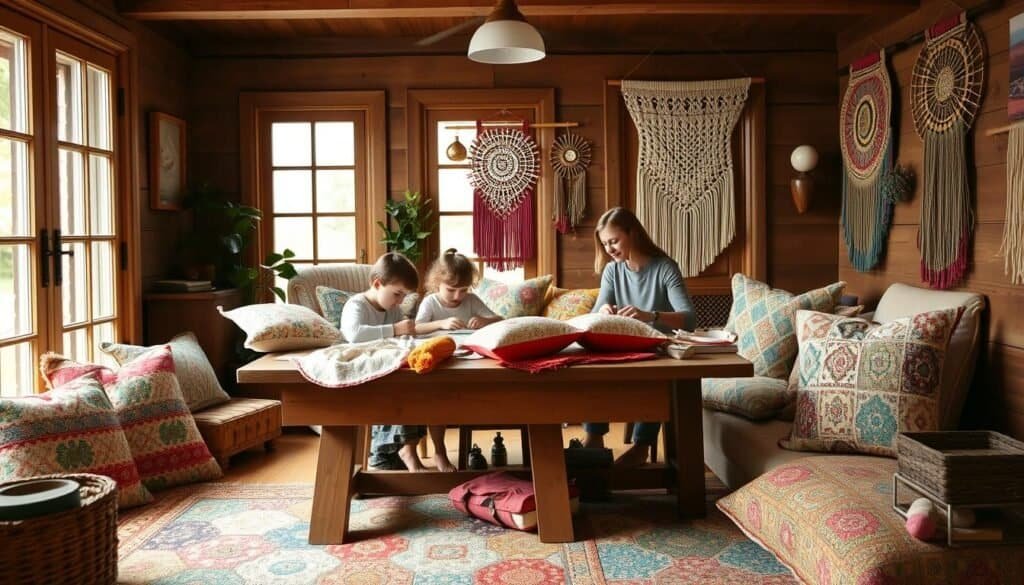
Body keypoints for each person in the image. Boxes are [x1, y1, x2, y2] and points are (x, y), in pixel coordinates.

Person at [584, 207, 697, 468]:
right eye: (605, 244)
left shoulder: (665, 267)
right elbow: (594, 314)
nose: (609, 248)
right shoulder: (613, 271)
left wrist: (651, 315)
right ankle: (594, 438)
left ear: (632, 233)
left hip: (657, 350)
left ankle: (641, 446)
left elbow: (690, 318)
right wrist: (603, 310)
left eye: (614, 241)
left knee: (654, 375)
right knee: (591, 368)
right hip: (623, 347)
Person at [339, 252, 448, 472]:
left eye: (403, 297)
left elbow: (405, 338)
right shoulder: (357, 305)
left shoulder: (393, 309)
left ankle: (411, 448)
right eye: (397, 294)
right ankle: (404, 451)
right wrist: (395, 329)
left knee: (422, 382)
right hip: (367, 373)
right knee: (401, 389)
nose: (399, 301)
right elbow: (354, 335)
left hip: (391, 367)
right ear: (377, 284)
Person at [415, 248, 503, 334]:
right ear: (437, 282)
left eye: (464, 290)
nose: (457, 296)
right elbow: (417, 328)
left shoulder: (471, 300)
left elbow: (500, 320)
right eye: (450, 290)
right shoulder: (431, 302)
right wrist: (441, 323)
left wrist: (485, 321)